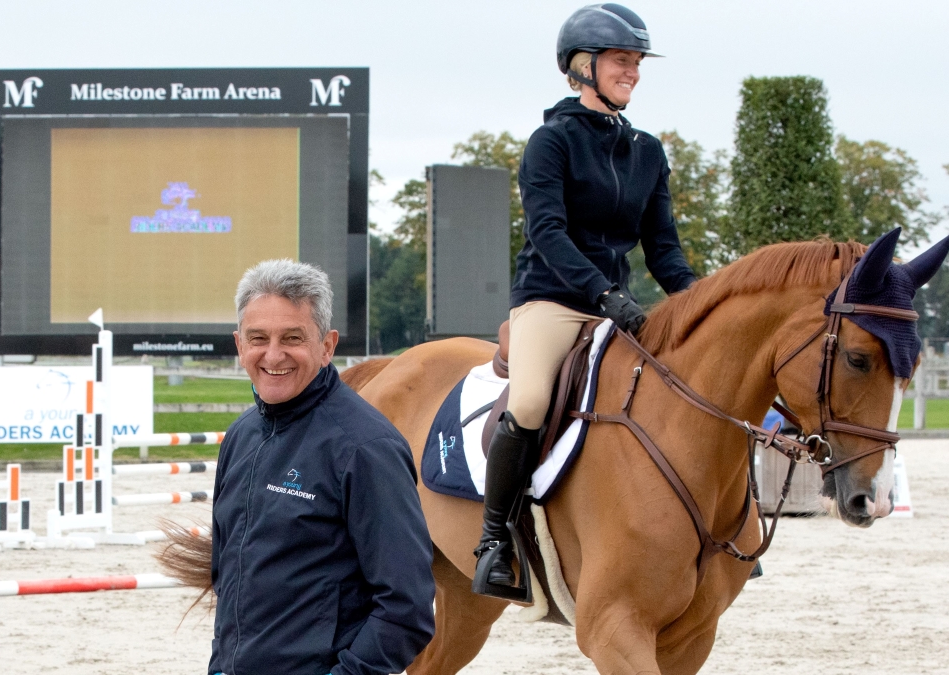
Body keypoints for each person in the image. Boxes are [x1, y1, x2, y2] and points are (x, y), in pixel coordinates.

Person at [473, 3, 698, 597]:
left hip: (618, 304)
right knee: (529, 401)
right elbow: (548, 233)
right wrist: (602, 291)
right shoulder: (550, 142)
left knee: (694, 389)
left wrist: (701, 303)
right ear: (581, 67)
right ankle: (494, 541)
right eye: (621, 60)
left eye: (637, 61)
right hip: (552, 299)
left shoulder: (647, 150)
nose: (633, 72)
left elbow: (664, 249)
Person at [209, 259, 435, 675]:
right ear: (240, 345)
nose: (273, 354)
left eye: (292, 338)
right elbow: (227, 579)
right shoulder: (240, 435)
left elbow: (407, 608)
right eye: (258, 338)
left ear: (327, 346)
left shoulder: (366, 448)